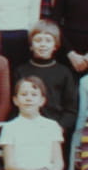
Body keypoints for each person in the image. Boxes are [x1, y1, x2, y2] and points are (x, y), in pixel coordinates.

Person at [12, 20, 77, 162]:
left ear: (55, 45)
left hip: (53, 131)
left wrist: (60, 127)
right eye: (38, 40)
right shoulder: (21, 71)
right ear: (31, 45)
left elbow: (71, 108)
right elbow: (14, 104)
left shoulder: (64, 72)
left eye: (48, 40)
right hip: (25, 130)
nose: (43, 44)